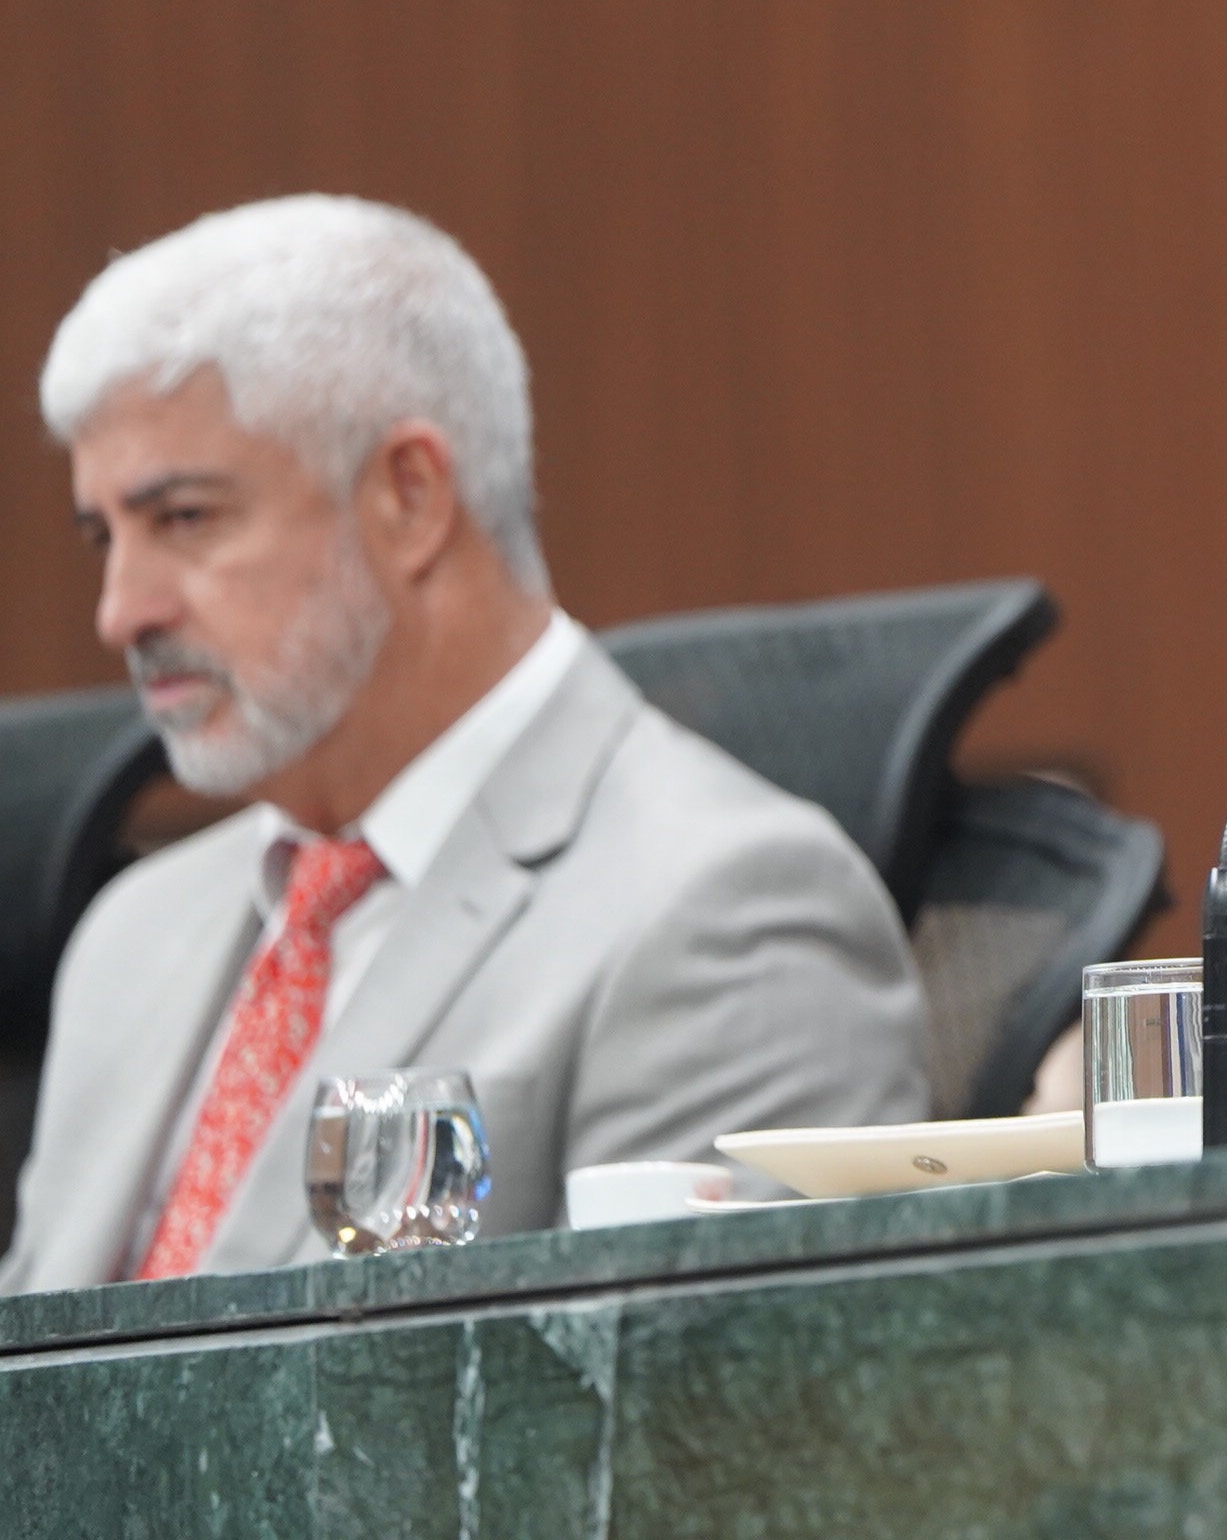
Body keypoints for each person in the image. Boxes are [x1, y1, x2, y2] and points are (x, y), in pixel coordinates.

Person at [0, 198, 926, 1292]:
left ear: (410, 497)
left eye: (186, 518)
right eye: (105, 535)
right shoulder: (132, 935)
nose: (122, 610)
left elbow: (698, 1392)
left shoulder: (727, 911)